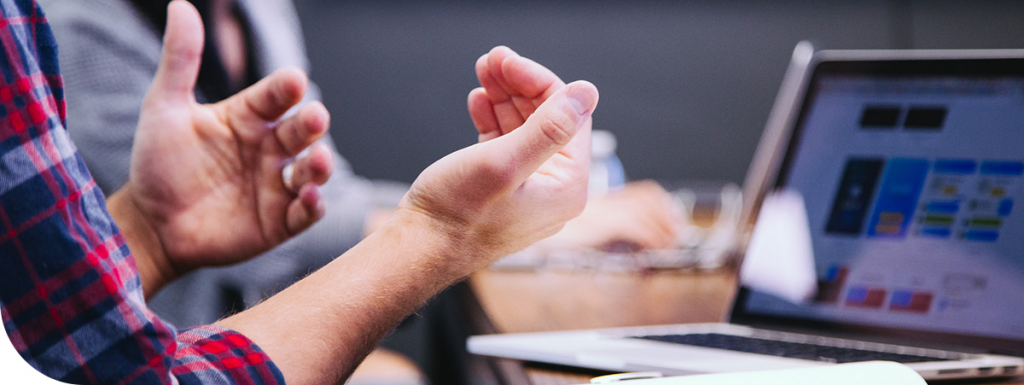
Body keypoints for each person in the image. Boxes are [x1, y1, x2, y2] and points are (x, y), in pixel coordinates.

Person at [42, 1, 678, 382]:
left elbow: (308, 194)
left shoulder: (257, 8)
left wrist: (154, 233)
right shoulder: (70, 24)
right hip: (167, 339)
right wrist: (448, 227)